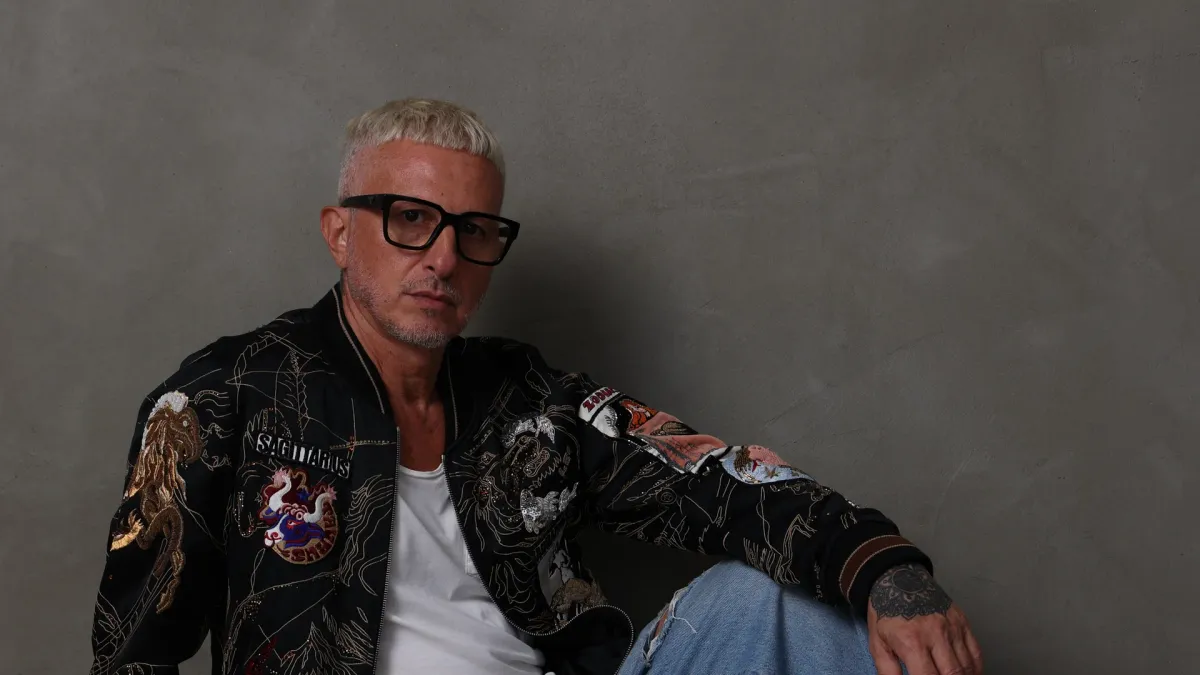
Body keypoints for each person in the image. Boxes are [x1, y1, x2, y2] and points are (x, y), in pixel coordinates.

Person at [90, 98, 983, 675]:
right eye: (410, 220)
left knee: (788, 603)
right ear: (338, 232)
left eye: (474, 230)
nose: (444, 257)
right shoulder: (221, 397)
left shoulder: (529, 399)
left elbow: (716, 482)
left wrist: (887, 569)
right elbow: (133, 653)